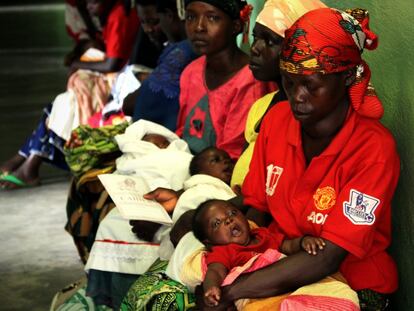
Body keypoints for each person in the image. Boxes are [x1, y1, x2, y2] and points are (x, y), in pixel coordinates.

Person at [195, 8, 400, 310]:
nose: (297, 96)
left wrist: (232, 292)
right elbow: (256, 211)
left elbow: (329, 256)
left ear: (345, 77)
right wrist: (223, 270)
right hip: (279, 262)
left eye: (310, 85)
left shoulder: (373, 149)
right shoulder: (278, 120)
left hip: (350, 282)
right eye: (289, 83)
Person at [175, 0, 276, 159]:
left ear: (236, 26)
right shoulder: (191, 71)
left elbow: (231, 156)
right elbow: (182, 133)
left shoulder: (251, 81)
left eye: (212, 18)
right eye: (191, 17)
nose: (198, 27)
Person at [192, 199, 325, 307]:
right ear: (209, 242)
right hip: (257, 299)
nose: (228, 220)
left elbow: (287, 246)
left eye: (232, 213)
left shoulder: (263, 234)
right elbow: (215, 271)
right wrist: (212, 287)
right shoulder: (224, 251)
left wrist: (303, 241)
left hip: (289, 285)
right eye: (217, 223)